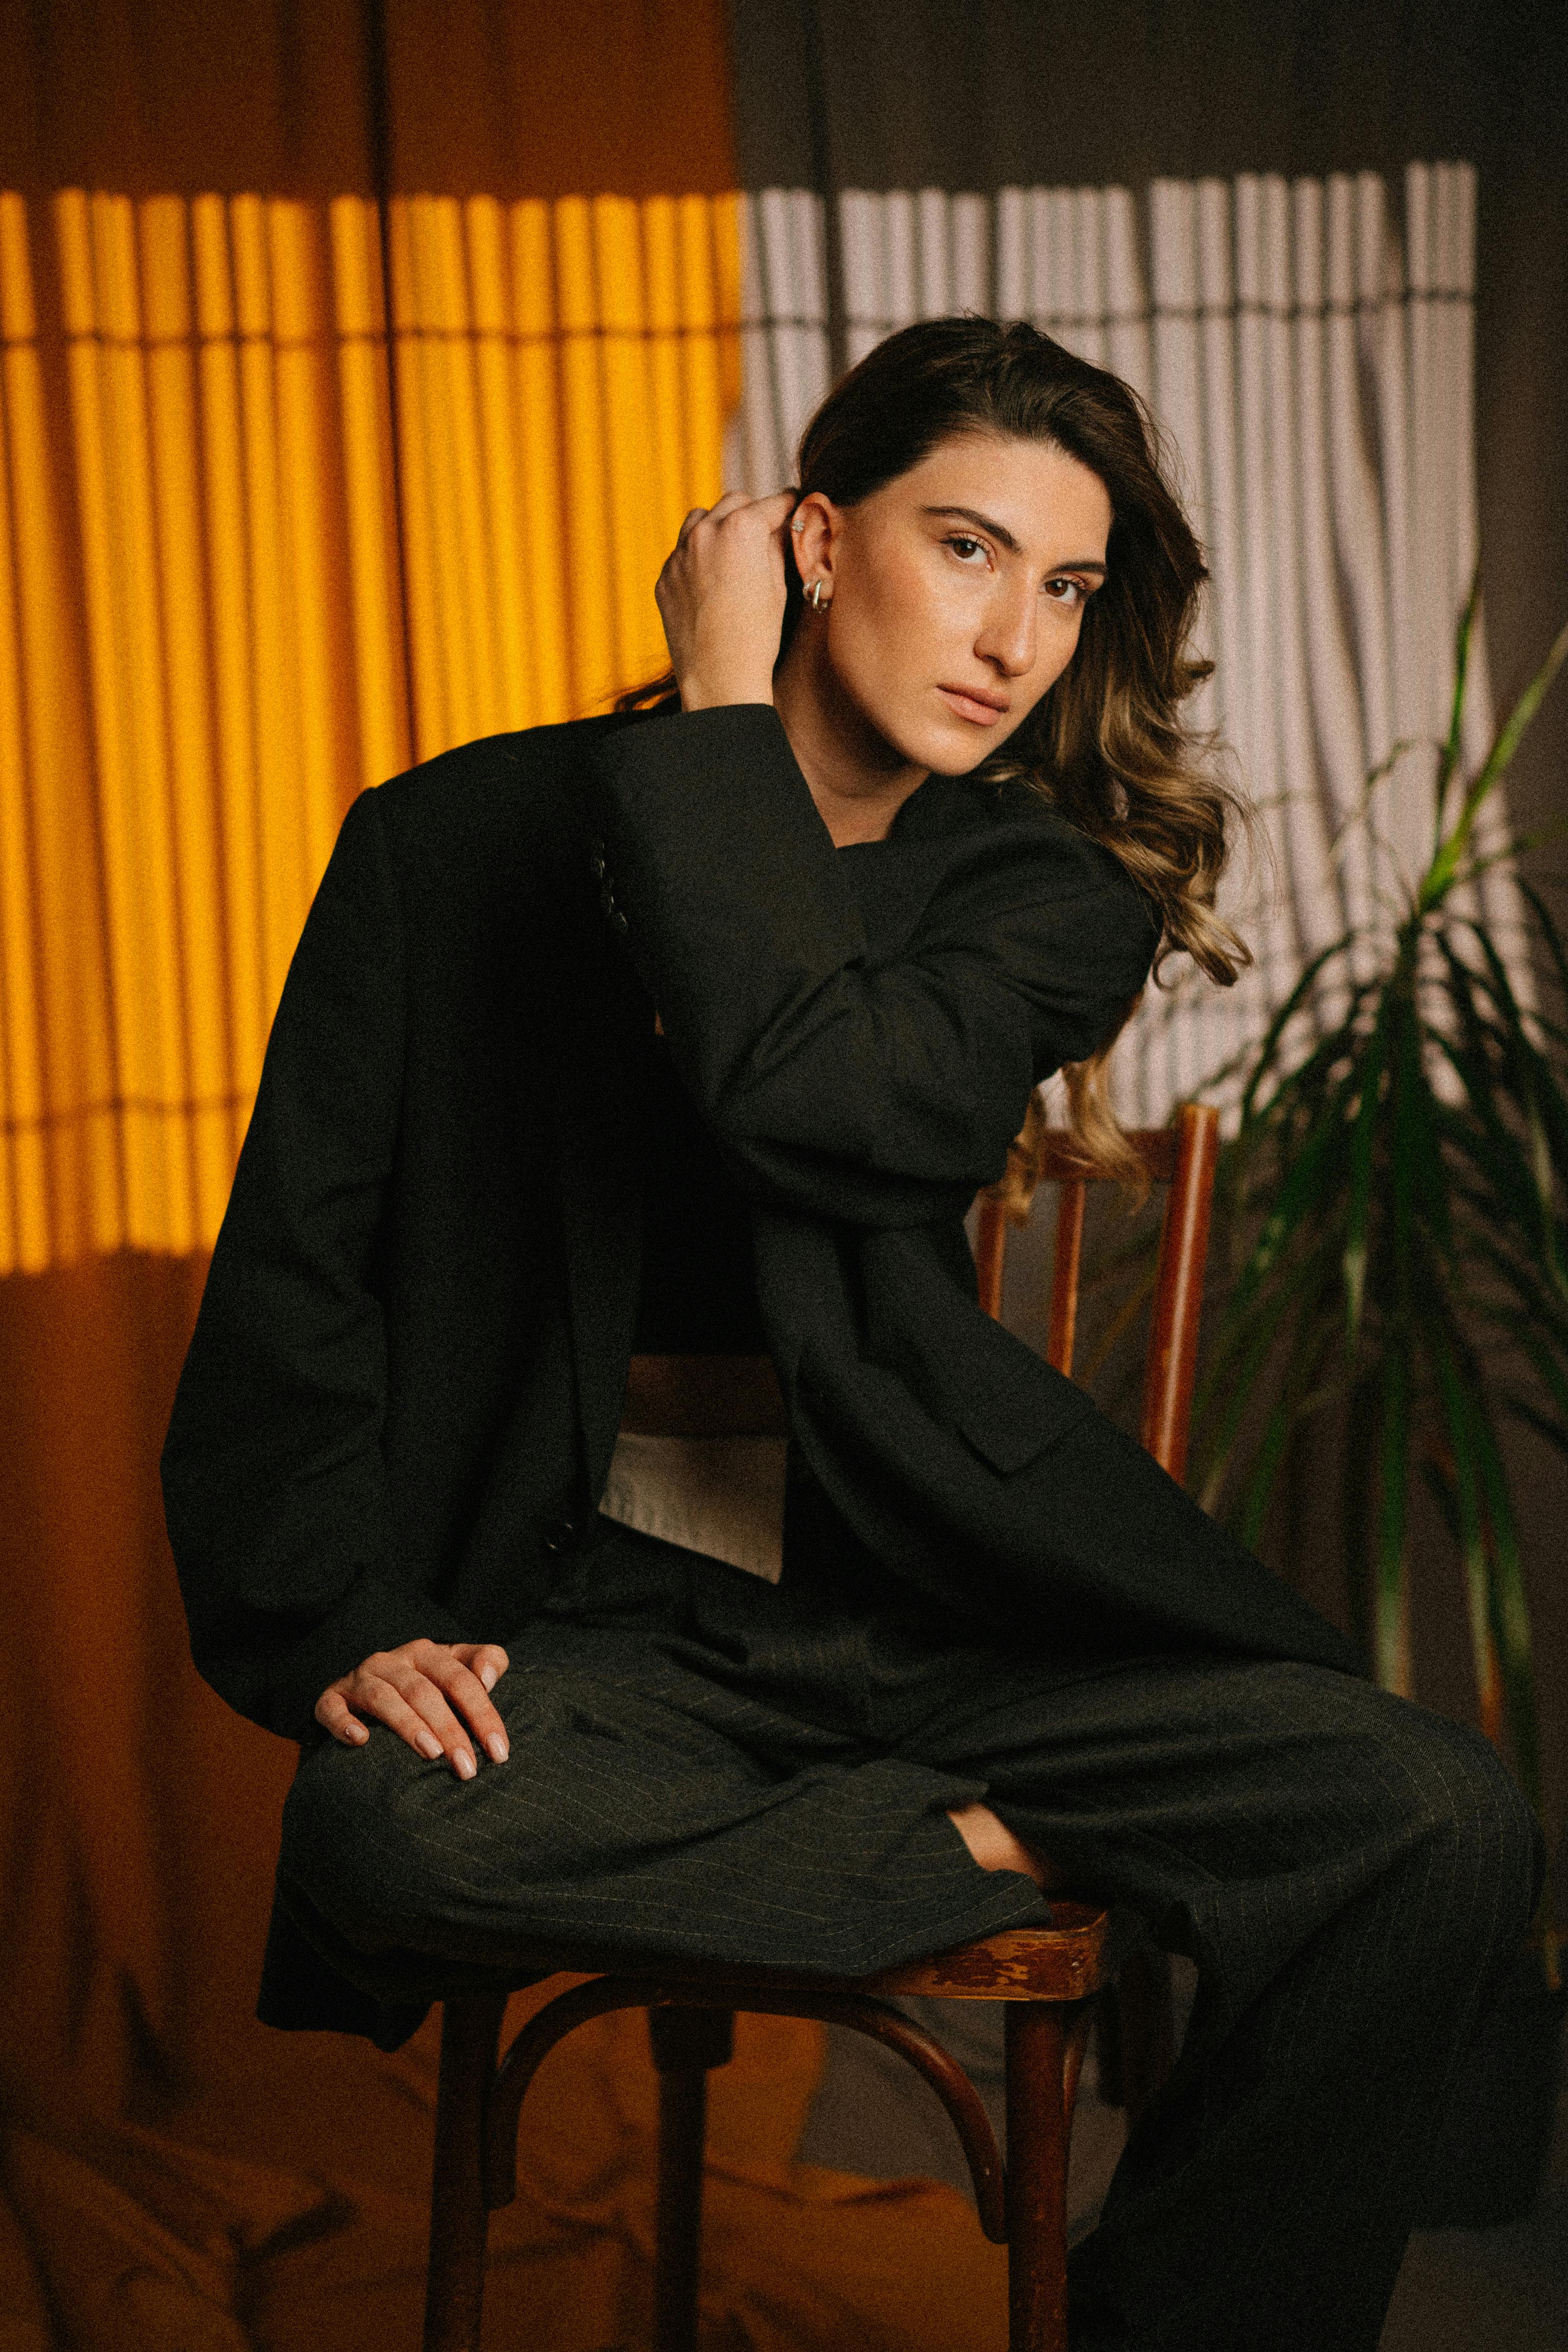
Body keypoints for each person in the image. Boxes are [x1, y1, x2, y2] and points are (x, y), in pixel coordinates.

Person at [162, 317, 1541, 2351]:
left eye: (1066, 586)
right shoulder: (450, 847)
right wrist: (340, 1622)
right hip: (596, 1626)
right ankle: (996, 1846)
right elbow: (296, 1273)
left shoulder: (1044, 891)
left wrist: (724, 712)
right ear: (813, 542)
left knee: (1437, 1813)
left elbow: (813, 1099)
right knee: (383, 1828)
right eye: (968, 548)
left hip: (932, 1606)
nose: (1018, 639)